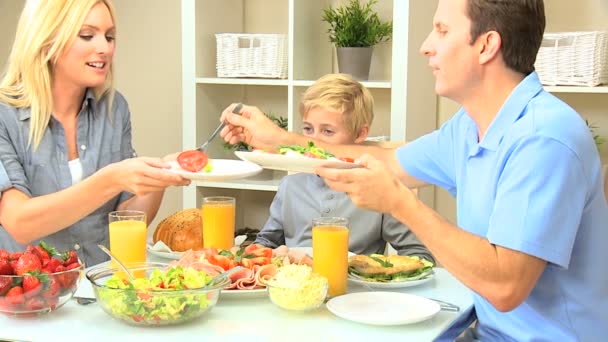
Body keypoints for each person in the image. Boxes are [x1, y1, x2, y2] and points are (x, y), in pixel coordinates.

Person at [218, 0, 608, 340]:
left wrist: (402, 205)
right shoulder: (469, 127)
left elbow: (505, 285)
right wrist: (276, 139)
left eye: (441, 30)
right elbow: (381, 161)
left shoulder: (543, 138)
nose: (426, 46)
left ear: (487, 45)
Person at [0, 0, 189, 266]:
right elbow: (19, 222)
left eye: (109, 36)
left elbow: (126, 217)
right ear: (47, 40)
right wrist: (112, 179)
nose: (105, 48)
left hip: (102, 288)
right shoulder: (4, 116)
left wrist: (162, 176)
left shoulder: (114, 108)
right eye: (87, 35)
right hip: (35, 298)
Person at [254, 74, 433, 261]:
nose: (312, 141)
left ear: (360, 133)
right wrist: (259, 253)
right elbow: (266, 242)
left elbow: (419, 256)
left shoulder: (377, 190)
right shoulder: (289, 186)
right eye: (307, 129)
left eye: (327, 131)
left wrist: (368, 269)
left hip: (357, 289)